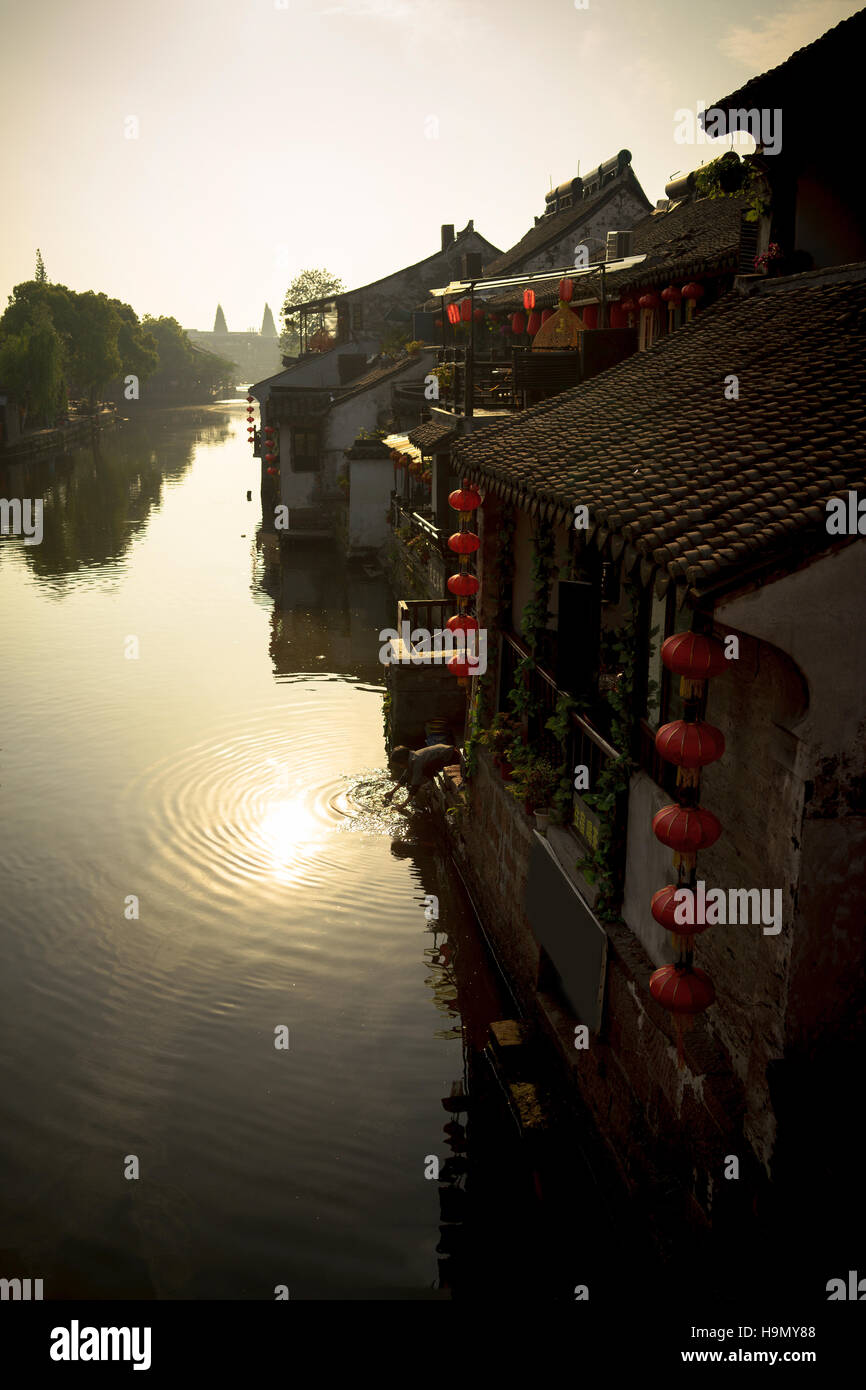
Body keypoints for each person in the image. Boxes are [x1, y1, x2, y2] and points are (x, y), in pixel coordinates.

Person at [384, 743, 460, 810]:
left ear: (403, 761)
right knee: (422, 770)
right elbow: (405, 776)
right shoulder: (412, 758)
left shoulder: (417, 761)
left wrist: (403, 805)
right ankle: (429, 783)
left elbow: (415, 785)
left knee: (424, 770)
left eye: (399, 764)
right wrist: (392, 792)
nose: (400, 767)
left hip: (451, 755)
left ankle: (430, 784)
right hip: (446, 751)